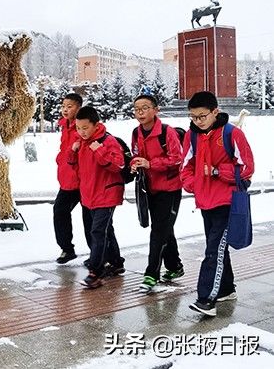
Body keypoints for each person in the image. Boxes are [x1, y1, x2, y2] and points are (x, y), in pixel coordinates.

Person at [182, 91, 254, 316]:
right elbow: (186, 166)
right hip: (205, 201)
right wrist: (193, 184)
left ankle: (206, 299)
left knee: (213, 250)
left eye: (201, 116)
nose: (197, 121)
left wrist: (216, 171)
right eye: (192, 117)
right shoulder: (192, 136)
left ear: (215, 112)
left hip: (227, 201)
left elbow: (247, 168)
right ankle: (226, 289)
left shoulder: (232, 134)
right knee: (219, 249)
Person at [129, 95, 184, 294]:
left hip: (170, 189)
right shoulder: (136, 132)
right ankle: (175, 267)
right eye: (136, 109)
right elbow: (136, 154)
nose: (140, 112)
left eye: (145, 108)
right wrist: (134, 164)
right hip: (149, 188)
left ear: (156, 110)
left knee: (159, 231)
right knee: (164, 229)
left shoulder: (167, 132)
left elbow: (177, 159)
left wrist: (151, 164)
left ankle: (151, 273)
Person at [68, 106, 125, 289]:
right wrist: (73, 151)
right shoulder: (82, 143)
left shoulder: (108, 141)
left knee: (98, 232)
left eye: (85, 128)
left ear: (95, 125)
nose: (81, 132)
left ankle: (96, 271)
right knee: (106, 230)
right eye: (78, 128)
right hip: (89, 194)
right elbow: (76, 168)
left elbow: (118, 165)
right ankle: (116, 262)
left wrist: (99, 150)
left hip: (107, 194)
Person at [52, 93, 92, 264]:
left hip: (84, 181)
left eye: (70, 106)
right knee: (59, 211)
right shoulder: (65, 126)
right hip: (68, 180)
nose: (65, 110)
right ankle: (67, 249)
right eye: (63, 106)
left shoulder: (84, 126)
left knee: (90, 219)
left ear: (79, 107)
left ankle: (99, 255)